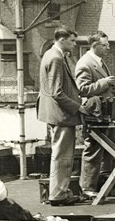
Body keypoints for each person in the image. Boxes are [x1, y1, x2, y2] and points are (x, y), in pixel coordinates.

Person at [37, 27, 89, 206]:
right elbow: (56, 92)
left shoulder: (53, 55)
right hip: (61, 115)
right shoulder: (56, 58)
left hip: (58, 114)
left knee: (61, 155)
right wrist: (78, 108)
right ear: (61, 39)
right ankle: (58, 194)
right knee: (62, 156)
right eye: (72, 41)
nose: (74, 45)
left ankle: (60, 192)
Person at [75, 30, 115, 198]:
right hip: (95, 114)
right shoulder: (84, 64)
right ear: (94, 45)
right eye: (105, 45)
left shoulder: (99, 62)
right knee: (93, 148)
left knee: (108, 148)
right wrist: (103, 82)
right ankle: (87, 188)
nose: (108, 48)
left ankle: (104, 184)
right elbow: (82, 89)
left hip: (106, 113)